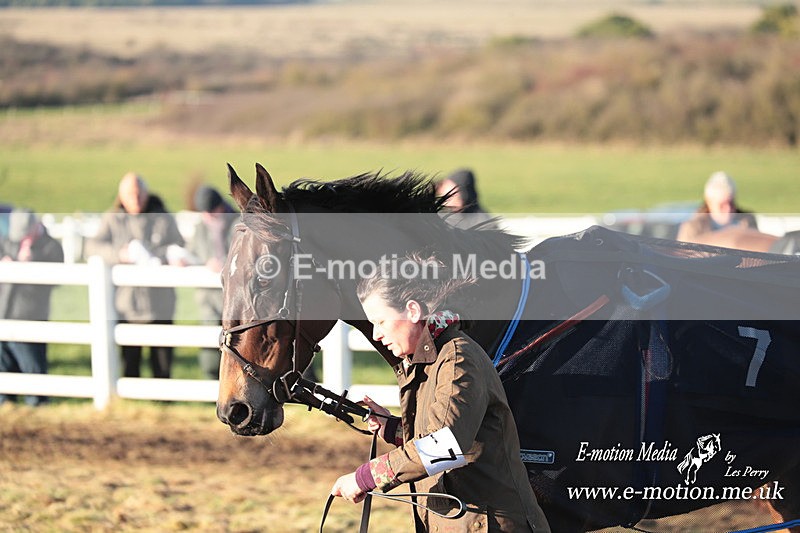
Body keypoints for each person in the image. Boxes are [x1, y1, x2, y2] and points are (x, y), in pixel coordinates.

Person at [330, 254, 550, 532]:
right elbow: (451, 432)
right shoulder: (430, 362)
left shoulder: (457, 359)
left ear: (412, 311)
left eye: (381, 321)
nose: (375, 334)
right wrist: (392, 429)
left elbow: (444, 446)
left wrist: (365, 477)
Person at [85, 172, 185, 378]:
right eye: (130, 194)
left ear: (146, 193)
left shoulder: (162, 217)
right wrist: (119, 254)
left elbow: (179, 246)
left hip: (160, 303)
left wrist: (166, 256)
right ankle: (132, 404)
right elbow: (91, 247)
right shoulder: (113, 220)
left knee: (162, 361)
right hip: (127, 304)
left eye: (139, 194)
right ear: (121, 196)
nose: (135, 199)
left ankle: (163, 402)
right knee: (130, 362)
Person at [0, 209, 64, 406]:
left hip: (30, 315)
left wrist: (31, 262)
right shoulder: (8, 242)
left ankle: (37, 405)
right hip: (4, 313)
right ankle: (6, 405)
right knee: (4, 367)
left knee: (32, 366)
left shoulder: (50, 247)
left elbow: (56, 279)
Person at [186, 185, 237, 379]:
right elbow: (192, 251)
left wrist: (224, 263)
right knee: (209, 354)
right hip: (208, 299)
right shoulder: (200, 228)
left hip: (234, 299)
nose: (208, 217)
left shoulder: (238, 222)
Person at [676, 171, 759, 244]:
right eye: (722, 205)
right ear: (709, 203)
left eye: (731, 203)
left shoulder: (748, 222)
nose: (728, 209)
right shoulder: (692, 228)